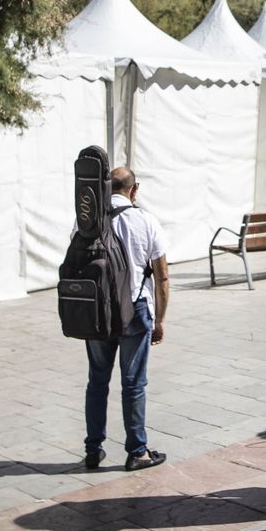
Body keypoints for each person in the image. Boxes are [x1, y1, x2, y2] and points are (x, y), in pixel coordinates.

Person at [82, 167, 170, 472]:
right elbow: (162, 277)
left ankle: (93, 449)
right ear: (134, 190)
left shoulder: (91, 219)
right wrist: (159, 320)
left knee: (97, 381)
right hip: (135, 311)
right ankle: (137, 451)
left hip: (98, 314)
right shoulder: (146, 221)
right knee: (133, 385)